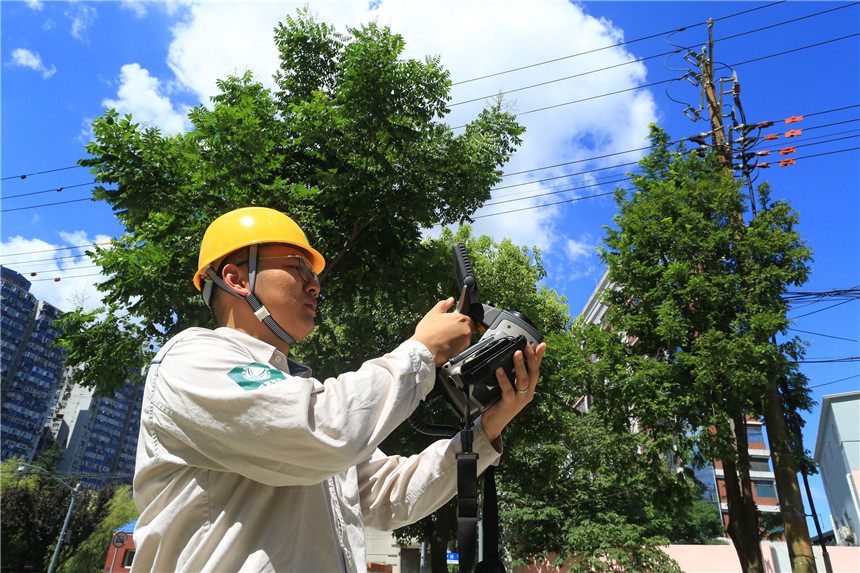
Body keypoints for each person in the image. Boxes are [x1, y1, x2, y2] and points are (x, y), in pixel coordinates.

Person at [131, 206, 546, 572]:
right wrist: (422, 351)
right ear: (236, 278)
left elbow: (392, 494)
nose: (314, 285)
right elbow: (326, 431)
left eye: (313, 274)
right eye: (297, 268)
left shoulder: (299, 391)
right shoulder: (192, 359)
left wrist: (489, 426)